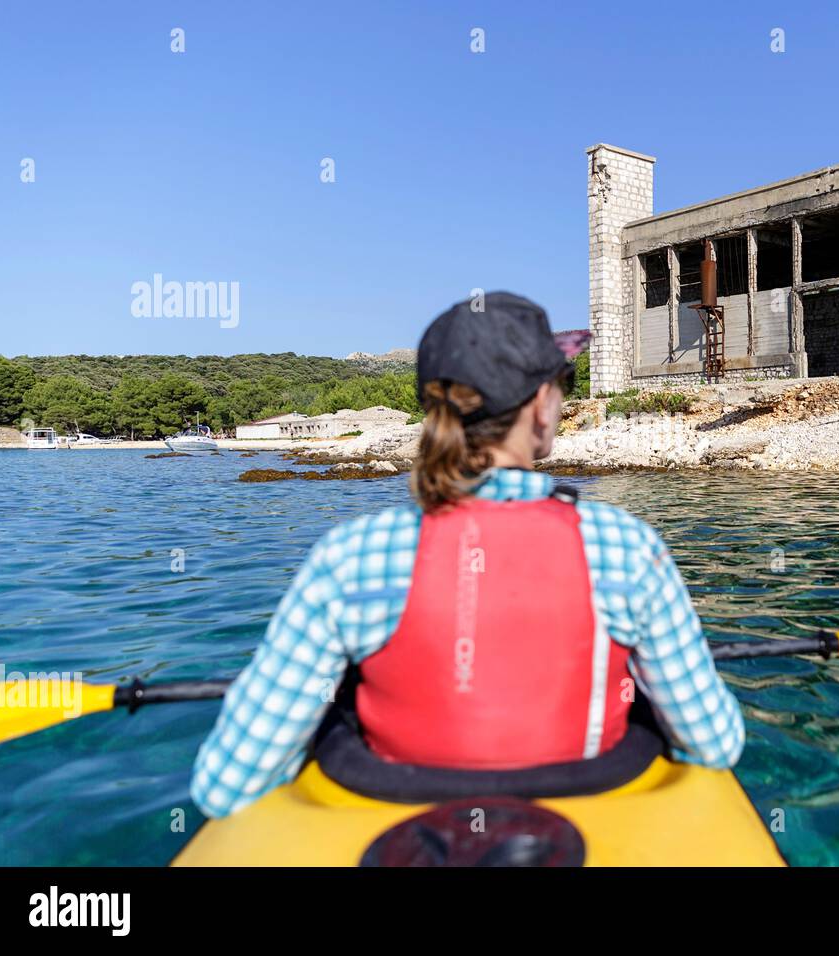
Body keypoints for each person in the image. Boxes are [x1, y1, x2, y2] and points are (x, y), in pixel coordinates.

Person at [191, 292, 744, 818]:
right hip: (590, 819)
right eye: (562, 383)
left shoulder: (349, 555)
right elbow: (715, 744)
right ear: (540, 407)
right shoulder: (627, 546)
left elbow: (226, 786)